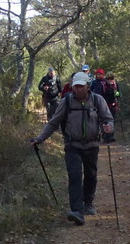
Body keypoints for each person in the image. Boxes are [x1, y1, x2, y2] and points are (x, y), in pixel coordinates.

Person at [30, 72, 114, 226]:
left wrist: (109, 127)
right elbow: (54, 122)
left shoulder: (97, 100)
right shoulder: (67, 101)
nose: (79, 89)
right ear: (73, 87)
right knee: (75, 176)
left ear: (88, 86)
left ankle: (88, 202)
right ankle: (77, 211)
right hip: (72, 145)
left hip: (92, 145)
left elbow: (108, 118)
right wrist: (40, 138)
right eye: (76, 86)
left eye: (81, 86)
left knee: (91, 175)